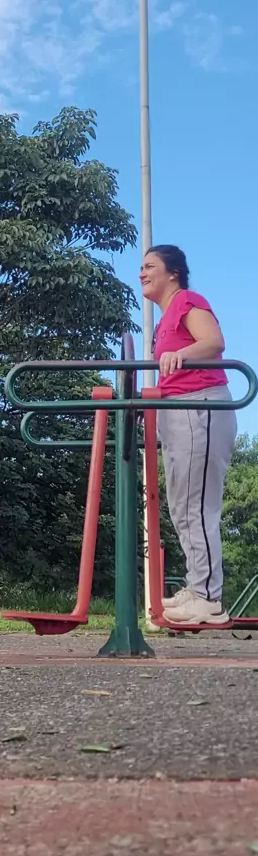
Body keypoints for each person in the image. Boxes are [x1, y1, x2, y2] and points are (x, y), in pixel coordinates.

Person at [140, 244, 236, 626]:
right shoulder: (164, 321)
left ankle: (208, 598)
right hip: (177, 411)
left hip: (201, 405)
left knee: (196, 506)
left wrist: (182, 355)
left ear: (173, 273)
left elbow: (214, 342)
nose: (142, 273)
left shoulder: (187, 301)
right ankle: (198, 587)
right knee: (181, 507)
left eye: (150, 266)